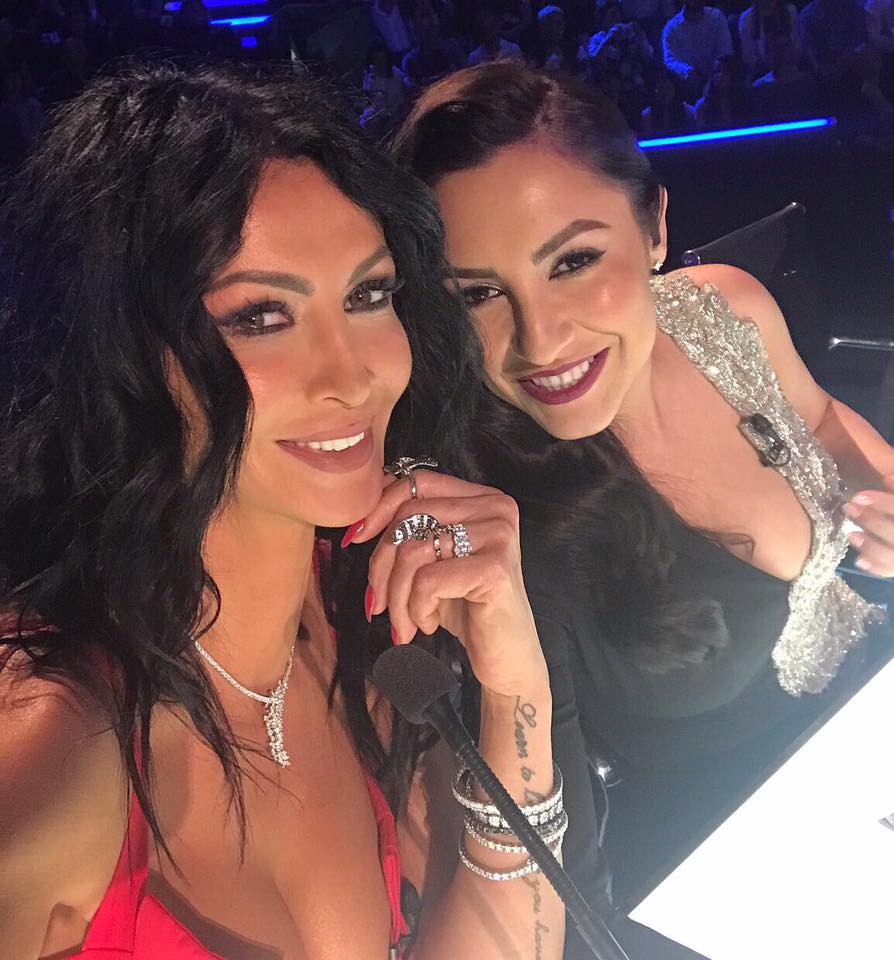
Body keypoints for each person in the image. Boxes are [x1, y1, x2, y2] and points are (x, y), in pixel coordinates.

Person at [0, 62, 575, 960]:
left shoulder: (360, 612)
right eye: (261, 317)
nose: (352, 375)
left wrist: (514, 692)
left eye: (369, 296)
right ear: (122, 352)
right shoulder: (52, 732)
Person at [394, 60, 893, 903]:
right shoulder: (487, 516)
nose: (541, 339)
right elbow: (546, 864)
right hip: (738, 871)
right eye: (478, 293)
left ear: (654, 227)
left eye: (573, 261)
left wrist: (879, 487)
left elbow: (820, 421)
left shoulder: (721, 309)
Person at [662, 0, 733, 99]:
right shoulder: (672, 28)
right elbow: (670, 59)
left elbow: (725, 49)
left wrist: (717, 69)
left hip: (715, 76)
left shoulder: (716, 17)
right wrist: (687, 71)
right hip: (688, 82)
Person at [751, 31, 825, 119]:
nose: (782, 53)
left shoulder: (809, 84)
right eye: (777, 49)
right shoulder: (760, 87)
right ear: (769, 54)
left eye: (785, 47)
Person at [737, 0, 802, 81]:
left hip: (791, 68)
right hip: (762, 73)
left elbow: (797, 47)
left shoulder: (790, 11)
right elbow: (750, 58)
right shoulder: (746, 19)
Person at [640, 67, 698, 131]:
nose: (664, 93)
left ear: (675, 89)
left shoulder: (689, 111)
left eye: (668, 88)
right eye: (661, 88)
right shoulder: (647, 115)